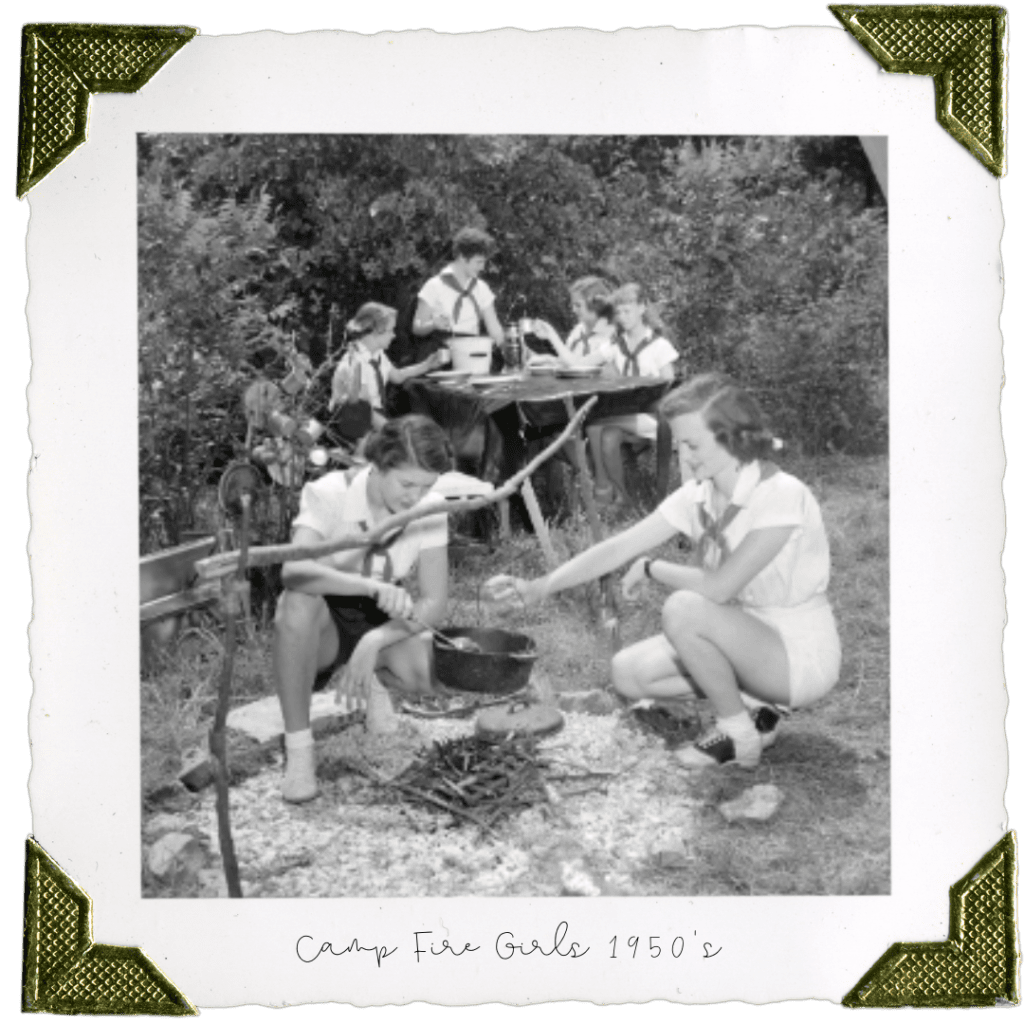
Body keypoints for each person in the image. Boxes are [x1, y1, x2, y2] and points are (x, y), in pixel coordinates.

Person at [486, 373, 841, 770]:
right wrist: (538, 587)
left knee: (684, 609)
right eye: (679, 447)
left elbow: (720, 588)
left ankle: (736, 733)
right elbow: (617, 548)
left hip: (797, 656)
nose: (684, 458)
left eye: (692, 445)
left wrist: (653, 567)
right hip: (745, 634)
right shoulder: (699, 496)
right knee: (628, 673)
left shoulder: (780, 494)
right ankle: (760, 712)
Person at [273, 415, 454, 802]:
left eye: (426, 487)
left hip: (382, 618)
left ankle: (368, 675)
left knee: (433, 677)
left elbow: (434, 602)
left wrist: (375, 640)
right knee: (295, 604)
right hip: (326, 621)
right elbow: (294, 571)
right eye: (406, 484)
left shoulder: (430, 508)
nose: (415, 498)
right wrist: (367, 585)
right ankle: (300, 750)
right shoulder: (329, 495)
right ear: (379, 465)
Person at [585, 283, 681, 503]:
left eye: (627, 310)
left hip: (656, 419)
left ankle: (602, 489)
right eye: (618, 312)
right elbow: (581, 363)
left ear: (642, 307)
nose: (622, 317)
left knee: (594, 422)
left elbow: (670, 387)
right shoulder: (616, 344)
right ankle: (623, 497)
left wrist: (647, 387)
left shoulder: (659, 345)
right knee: (608, 436)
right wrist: (552, 351)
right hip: (628, 415)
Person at [328, 303, 446, 437]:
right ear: (374, 332)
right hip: (351, 423)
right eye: (391, 330)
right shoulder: (355, 361)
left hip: (373, 416)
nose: (394, 335)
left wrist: (427, 365)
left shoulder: (378, 354)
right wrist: (391, 432)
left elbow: (397, 376)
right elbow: (364, 409)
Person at [412, 227, 505, 363]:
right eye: (478, 262)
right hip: (440, 355)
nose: (482, 267)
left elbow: (495, 330)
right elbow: (416, 328)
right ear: (462, 257)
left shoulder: (481, 288)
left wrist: (509, 349)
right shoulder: (434, 285)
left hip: (471, 354)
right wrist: (433, 325)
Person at [529, 276, 619, 369]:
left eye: (578, 305)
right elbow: (567, 360)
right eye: (572, 305)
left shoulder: (610, 334)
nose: (573, 310)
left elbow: (579, 365)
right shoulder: (578, 330)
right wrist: (549, 359)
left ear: (596, 306)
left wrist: (551, 335)